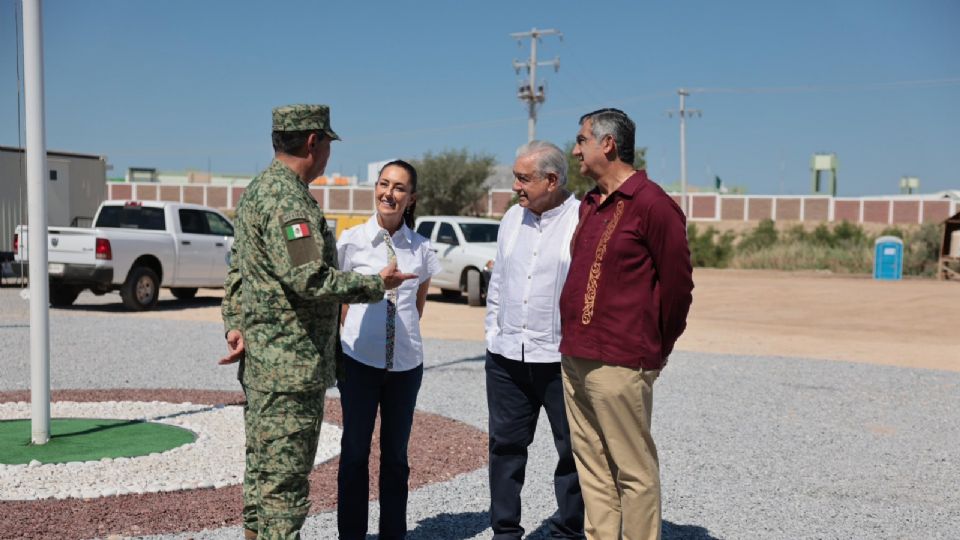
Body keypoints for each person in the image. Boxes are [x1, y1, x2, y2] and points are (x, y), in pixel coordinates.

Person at [219, 104, 417, 540]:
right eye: (327, 142)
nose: (328, 152)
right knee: (284, 489)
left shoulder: (258, 191)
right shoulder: (290, 202)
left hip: (265, 364)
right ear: (313, 142)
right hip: (290, 369)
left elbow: (238, 273)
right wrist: (374, 283)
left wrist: (235, 324)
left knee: (262, 481)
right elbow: (308, 277)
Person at [558, 108, 694, 540]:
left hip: (621, 360)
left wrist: (656, 349)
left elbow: (678, 289)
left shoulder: (653, 205)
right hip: (575, 356)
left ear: (608, 144)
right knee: (593, 469)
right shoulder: (591, 204)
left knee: (633, 472)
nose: (576, 149)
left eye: (582, 140)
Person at [483, 141, 585, 539]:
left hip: (560, 362)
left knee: (574, 453)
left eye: (523, 179)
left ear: (552, 180)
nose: (515, 186)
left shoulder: (581, 219)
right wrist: (494, 334)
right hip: (507, 360)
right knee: (505, 449)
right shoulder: (512, 218)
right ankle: (505, 532)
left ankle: (568, 530)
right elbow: (500, 283)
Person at [336, 159, 440, 540]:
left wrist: (397, 343)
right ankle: (351, 534)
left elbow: (418, 305)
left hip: (406, 368)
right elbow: (341, 303)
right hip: (359, 363)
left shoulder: (422, 249)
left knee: (396, 458)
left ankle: (393, 534)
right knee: (353, 455)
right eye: (383, 184)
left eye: (399, 188)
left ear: (411, 198)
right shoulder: (351, 242)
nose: (389, 193)